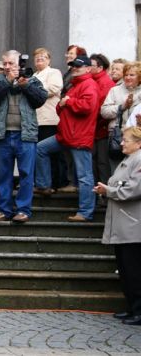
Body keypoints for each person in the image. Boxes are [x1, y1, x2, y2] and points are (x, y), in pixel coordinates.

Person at [35, 55, 99, 222]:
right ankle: (43, 185)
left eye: (78, 66)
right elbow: (60, 108)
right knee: (40, 149)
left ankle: (86, 212)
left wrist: (68, 102)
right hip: (65, 135)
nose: (75, 68)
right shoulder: (75, 84)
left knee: (85, 176)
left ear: (88, 68)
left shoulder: (89, 84)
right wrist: (63, 104)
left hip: (79, 137)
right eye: (73, 66)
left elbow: (87, 107)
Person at [0, 50, 47, 223]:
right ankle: (4, 210)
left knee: (26, 174)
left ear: (19, 63)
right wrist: (8, 81)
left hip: (25, 135)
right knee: (3, 175)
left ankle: (23, 210)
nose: (7, 67)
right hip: (3, 135)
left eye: (11, 64)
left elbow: (40, 99)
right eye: (4, 64)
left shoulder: (31, 79)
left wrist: (25, 85)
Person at [96, 126, 141, 326]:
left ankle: (139, 311)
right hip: (123, 224)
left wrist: (109, 191)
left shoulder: (139, 160)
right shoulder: (128, 160)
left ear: (138, 143)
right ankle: (132, 308)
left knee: (134, 271)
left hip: (133, 226)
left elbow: (133, 189)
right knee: (125, 270)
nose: (121, 143)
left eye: (126, 140)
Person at [32, 48, 65, 190]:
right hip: (35, 120)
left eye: (43, 57)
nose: (39, 59)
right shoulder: (32, 75)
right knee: (38, 154)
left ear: (49, 60)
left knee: (52, 154)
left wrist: (32, 89)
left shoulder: (54, 72)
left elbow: (54, 88)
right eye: (37, 57)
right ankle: (42, 183)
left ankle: (56, 183)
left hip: (49, 119)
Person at [101, 61, 141, 171]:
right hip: (117, 135)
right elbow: (104, 111)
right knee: (117, 169)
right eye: (126, 74)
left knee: (135, 171)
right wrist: (121, 107)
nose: (128, 77)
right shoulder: (115, 90)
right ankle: (116, 188)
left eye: (132, 75)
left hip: (137, 137)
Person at [90, 53, 115, 186]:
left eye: (91, 65)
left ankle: (103, 194)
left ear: (100, 68)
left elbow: (101, 109)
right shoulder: (93, 81)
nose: (88, 68)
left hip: (101, 130)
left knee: (102, 163)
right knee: (95, 162)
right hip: (94, 129)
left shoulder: (105, 83)